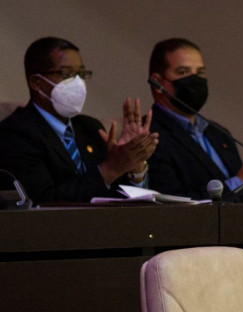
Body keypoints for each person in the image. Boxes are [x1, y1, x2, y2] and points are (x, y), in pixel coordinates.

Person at [0, 37, 157, 204]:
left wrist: (134, 165)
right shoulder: (14, 134)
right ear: (36, 82)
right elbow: (43, 202)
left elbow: (120, 199)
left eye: (81, 74)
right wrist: (111, 169)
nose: (77, 82)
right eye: (67, 74)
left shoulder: (90, 128)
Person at [146, 38, 243, 200]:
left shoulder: (218, 133)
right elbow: (168, 203)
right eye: (183, 72)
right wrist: (240, 182)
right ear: (158, 83)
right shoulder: (148, 137)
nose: (195, 80)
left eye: (200, 73)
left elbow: (238, 201)